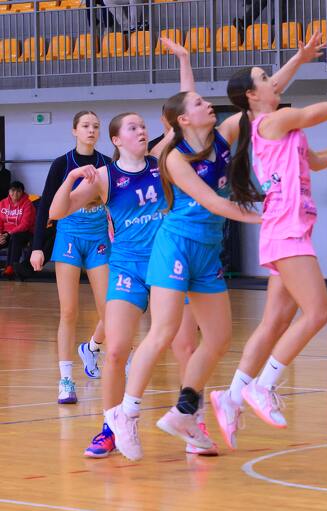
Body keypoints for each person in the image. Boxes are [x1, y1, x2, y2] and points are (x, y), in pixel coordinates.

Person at [105, 33, 327, 461]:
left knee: (220, 339)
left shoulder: (224, 134)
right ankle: (125, 413)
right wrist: (266, 218)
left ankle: (186, 411)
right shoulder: (173, 156)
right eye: (199, 103)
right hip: (176, 245)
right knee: (164, 331)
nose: (209, 104)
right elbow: (214, 202)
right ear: (183, 119)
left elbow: (261, 97)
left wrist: (298, 59)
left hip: (208, 249)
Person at [208, 50, 327, 450]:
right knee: (317, 312)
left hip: (286, 228)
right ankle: (263, 385)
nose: (273, 82)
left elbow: (315, 161)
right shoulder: (273, 121)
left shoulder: (281, 129)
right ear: (252, 95)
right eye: (265, 78)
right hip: (286, 229)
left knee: (275, 322)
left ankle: (230, 397)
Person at [49, 38, 214, 459]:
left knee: (185, 346)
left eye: (144, 126)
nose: (142, 131)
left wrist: (184, 59)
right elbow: (56, 210)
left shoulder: (163, 160)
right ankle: (111, 427)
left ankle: (192, 421)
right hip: (126, 267)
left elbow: (186, 110)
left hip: (169, 264)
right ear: (118, 139)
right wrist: (71, 180)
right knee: (117, 349)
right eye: (134, 128)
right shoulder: (104, 177)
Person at [31, 111, 112, 404]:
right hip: (69, 238)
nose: (91, 130)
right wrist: (37, 246)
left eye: (96, 126)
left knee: (110, 311)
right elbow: (45, 206)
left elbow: (116, 203)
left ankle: (91, 348)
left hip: (99, 239)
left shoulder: (107, 164)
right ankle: (65, 379)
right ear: (74, 130)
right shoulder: (62, 163)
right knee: (69, 311)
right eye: (86, 126)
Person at [0, 181, 36, 277]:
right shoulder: (2, 203)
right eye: (13, 190)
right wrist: (0, 235)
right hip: (6, 234)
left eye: (18, 191)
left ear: (22, 192)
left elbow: (25, 224)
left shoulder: (28, 204)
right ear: (9, 191)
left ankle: (10, 267)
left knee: (15, 237)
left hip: (24, 233)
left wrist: (9, 233)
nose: (15, 193)